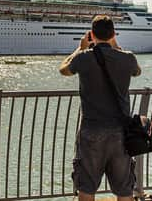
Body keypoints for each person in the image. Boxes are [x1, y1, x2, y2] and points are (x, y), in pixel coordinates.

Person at [59, 15, 142, 201]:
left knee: (87, 187)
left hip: (91, 131)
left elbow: (63, 69)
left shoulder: (83, 58)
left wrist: (79, 48)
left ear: (92, 35)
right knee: (124, 189)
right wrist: (115, 45)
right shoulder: (128, 58)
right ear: (113, 33)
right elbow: (137, 71)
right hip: (121, 133)